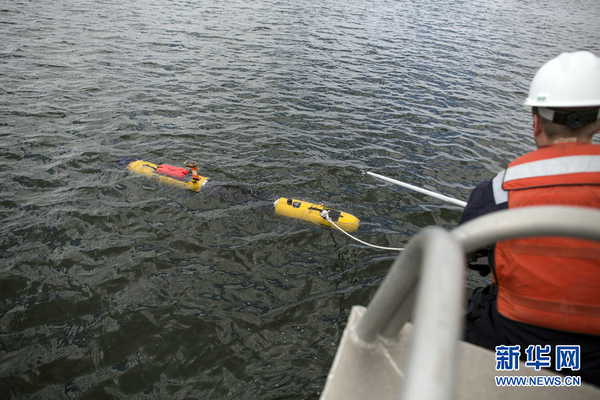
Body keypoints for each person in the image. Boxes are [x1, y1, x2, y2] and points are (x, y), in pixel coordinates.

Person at [460, 50, 600, 386]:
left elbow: (468, 251)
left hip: (512, 345)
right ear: (597, 121)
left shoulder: (497, 190)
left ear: (536, 121)